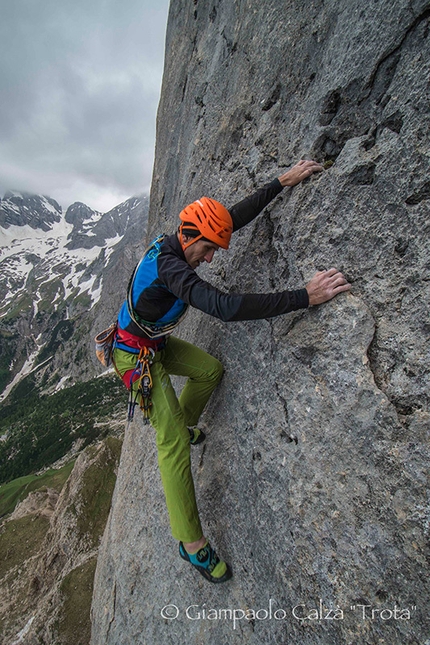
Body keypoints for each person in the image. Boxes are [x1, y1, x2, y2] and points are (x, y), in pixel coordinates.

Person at [112, 159, 351, 584]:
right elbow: (224, 307)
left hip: (154, 343)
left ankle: (182, 424)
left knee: (209, 370)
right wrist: (304, 297)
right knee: (171, 447)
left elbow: (230, 219)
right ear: (188, 238)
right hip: (135, 357)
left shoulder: (176, 245)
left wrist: (282, 181)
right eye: (206, 250)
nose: (208, 258)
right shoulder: (172, 270)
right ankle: (190, 545)